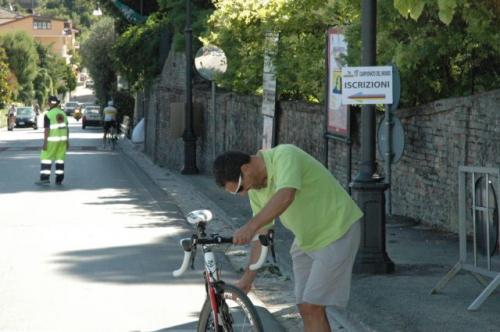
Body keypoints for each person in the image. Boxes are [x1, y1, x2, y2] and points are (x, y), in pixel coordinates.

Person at [213, 144, 363, 332]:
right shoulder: (257, 189)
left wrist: (250, 226)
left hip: (336, 230)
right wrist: (248, 279)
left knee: (312, 306)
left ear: (245, 168)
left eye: (240, 188)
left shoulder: (285, 155)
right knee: (305, 307)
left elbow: (286, 195)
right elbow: (262, 235)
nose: (243, 193)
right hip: (306, 239)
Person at [36, 96, 69, 185]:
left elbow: (47, 129)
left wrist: (45, 143)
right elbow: (67, 127)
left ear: (50, 103)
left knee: (46, 158)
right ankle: (59, 179)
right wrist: (67, 141)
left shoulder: (48, 114)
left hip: (52, 140)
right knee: (60, 159)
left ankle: (44, 178)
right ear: (57, 103)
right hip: (62, 141)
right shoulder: (63, 113)